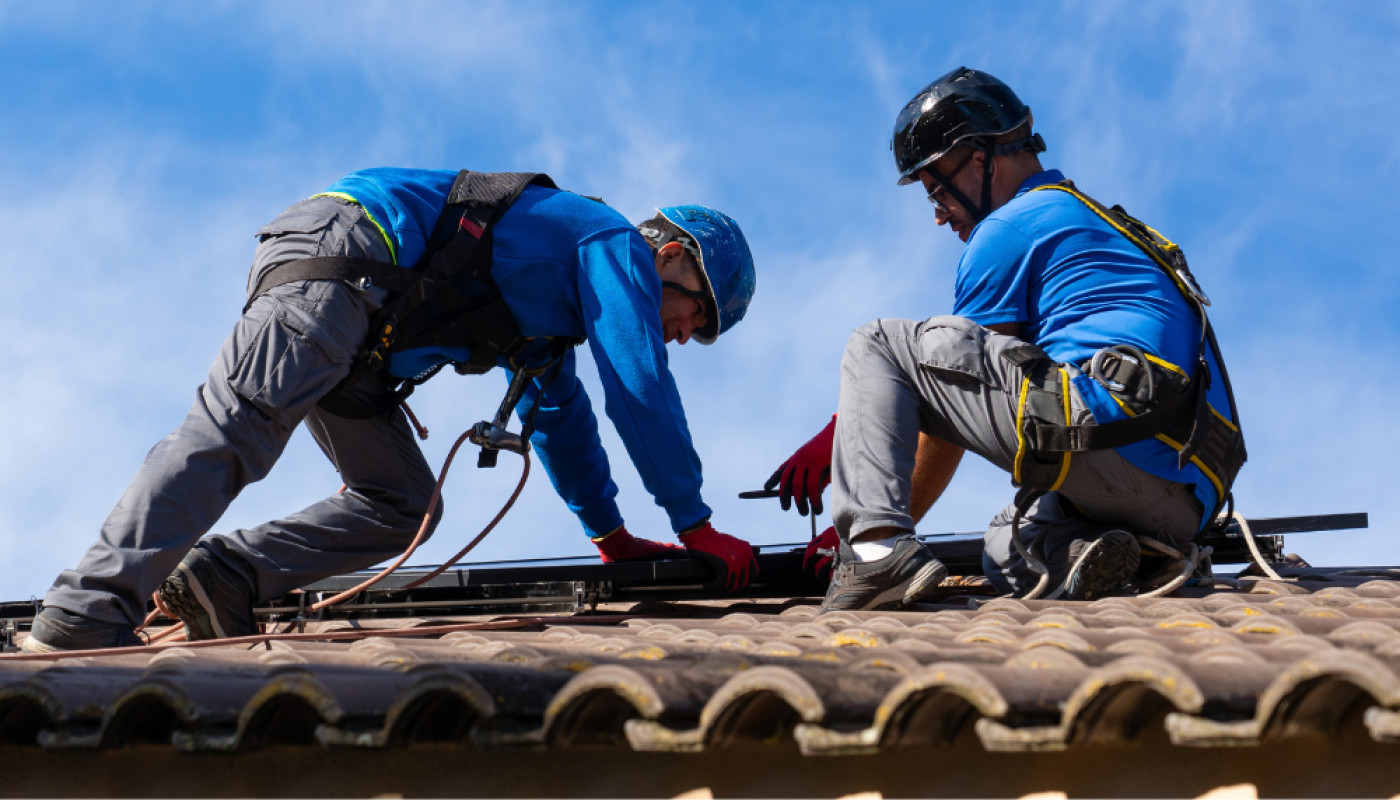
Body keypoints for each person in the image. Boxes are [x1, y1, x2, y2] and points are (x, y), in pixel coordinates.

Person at [24, 167, 759, 652]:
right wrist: (695, 523)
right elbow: (638, 382)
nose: (685, 334)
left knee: (402, 504)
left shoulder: (548, 324)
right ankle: (85, 611)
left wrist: (613, 538)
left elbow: (565, 417)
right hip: (345, 262)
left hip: (362, 341)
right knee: (236, 431)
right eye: (697, 314)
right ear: (670, 256)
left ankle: (228, 577)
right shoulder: (613, 244)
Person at [766, 67, 1245, 611]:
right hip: (1187, 500)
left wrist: (855, 525)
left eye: (937, 189)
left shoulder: (1012, 226)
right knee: (1006, 547)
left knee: (877, 343)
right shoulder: (1094, 222)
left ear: (977, 157)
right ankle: (1130, 557)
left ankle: (875, 557)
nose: (939, 214)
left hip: (1114, 445)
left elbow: (944, 406)